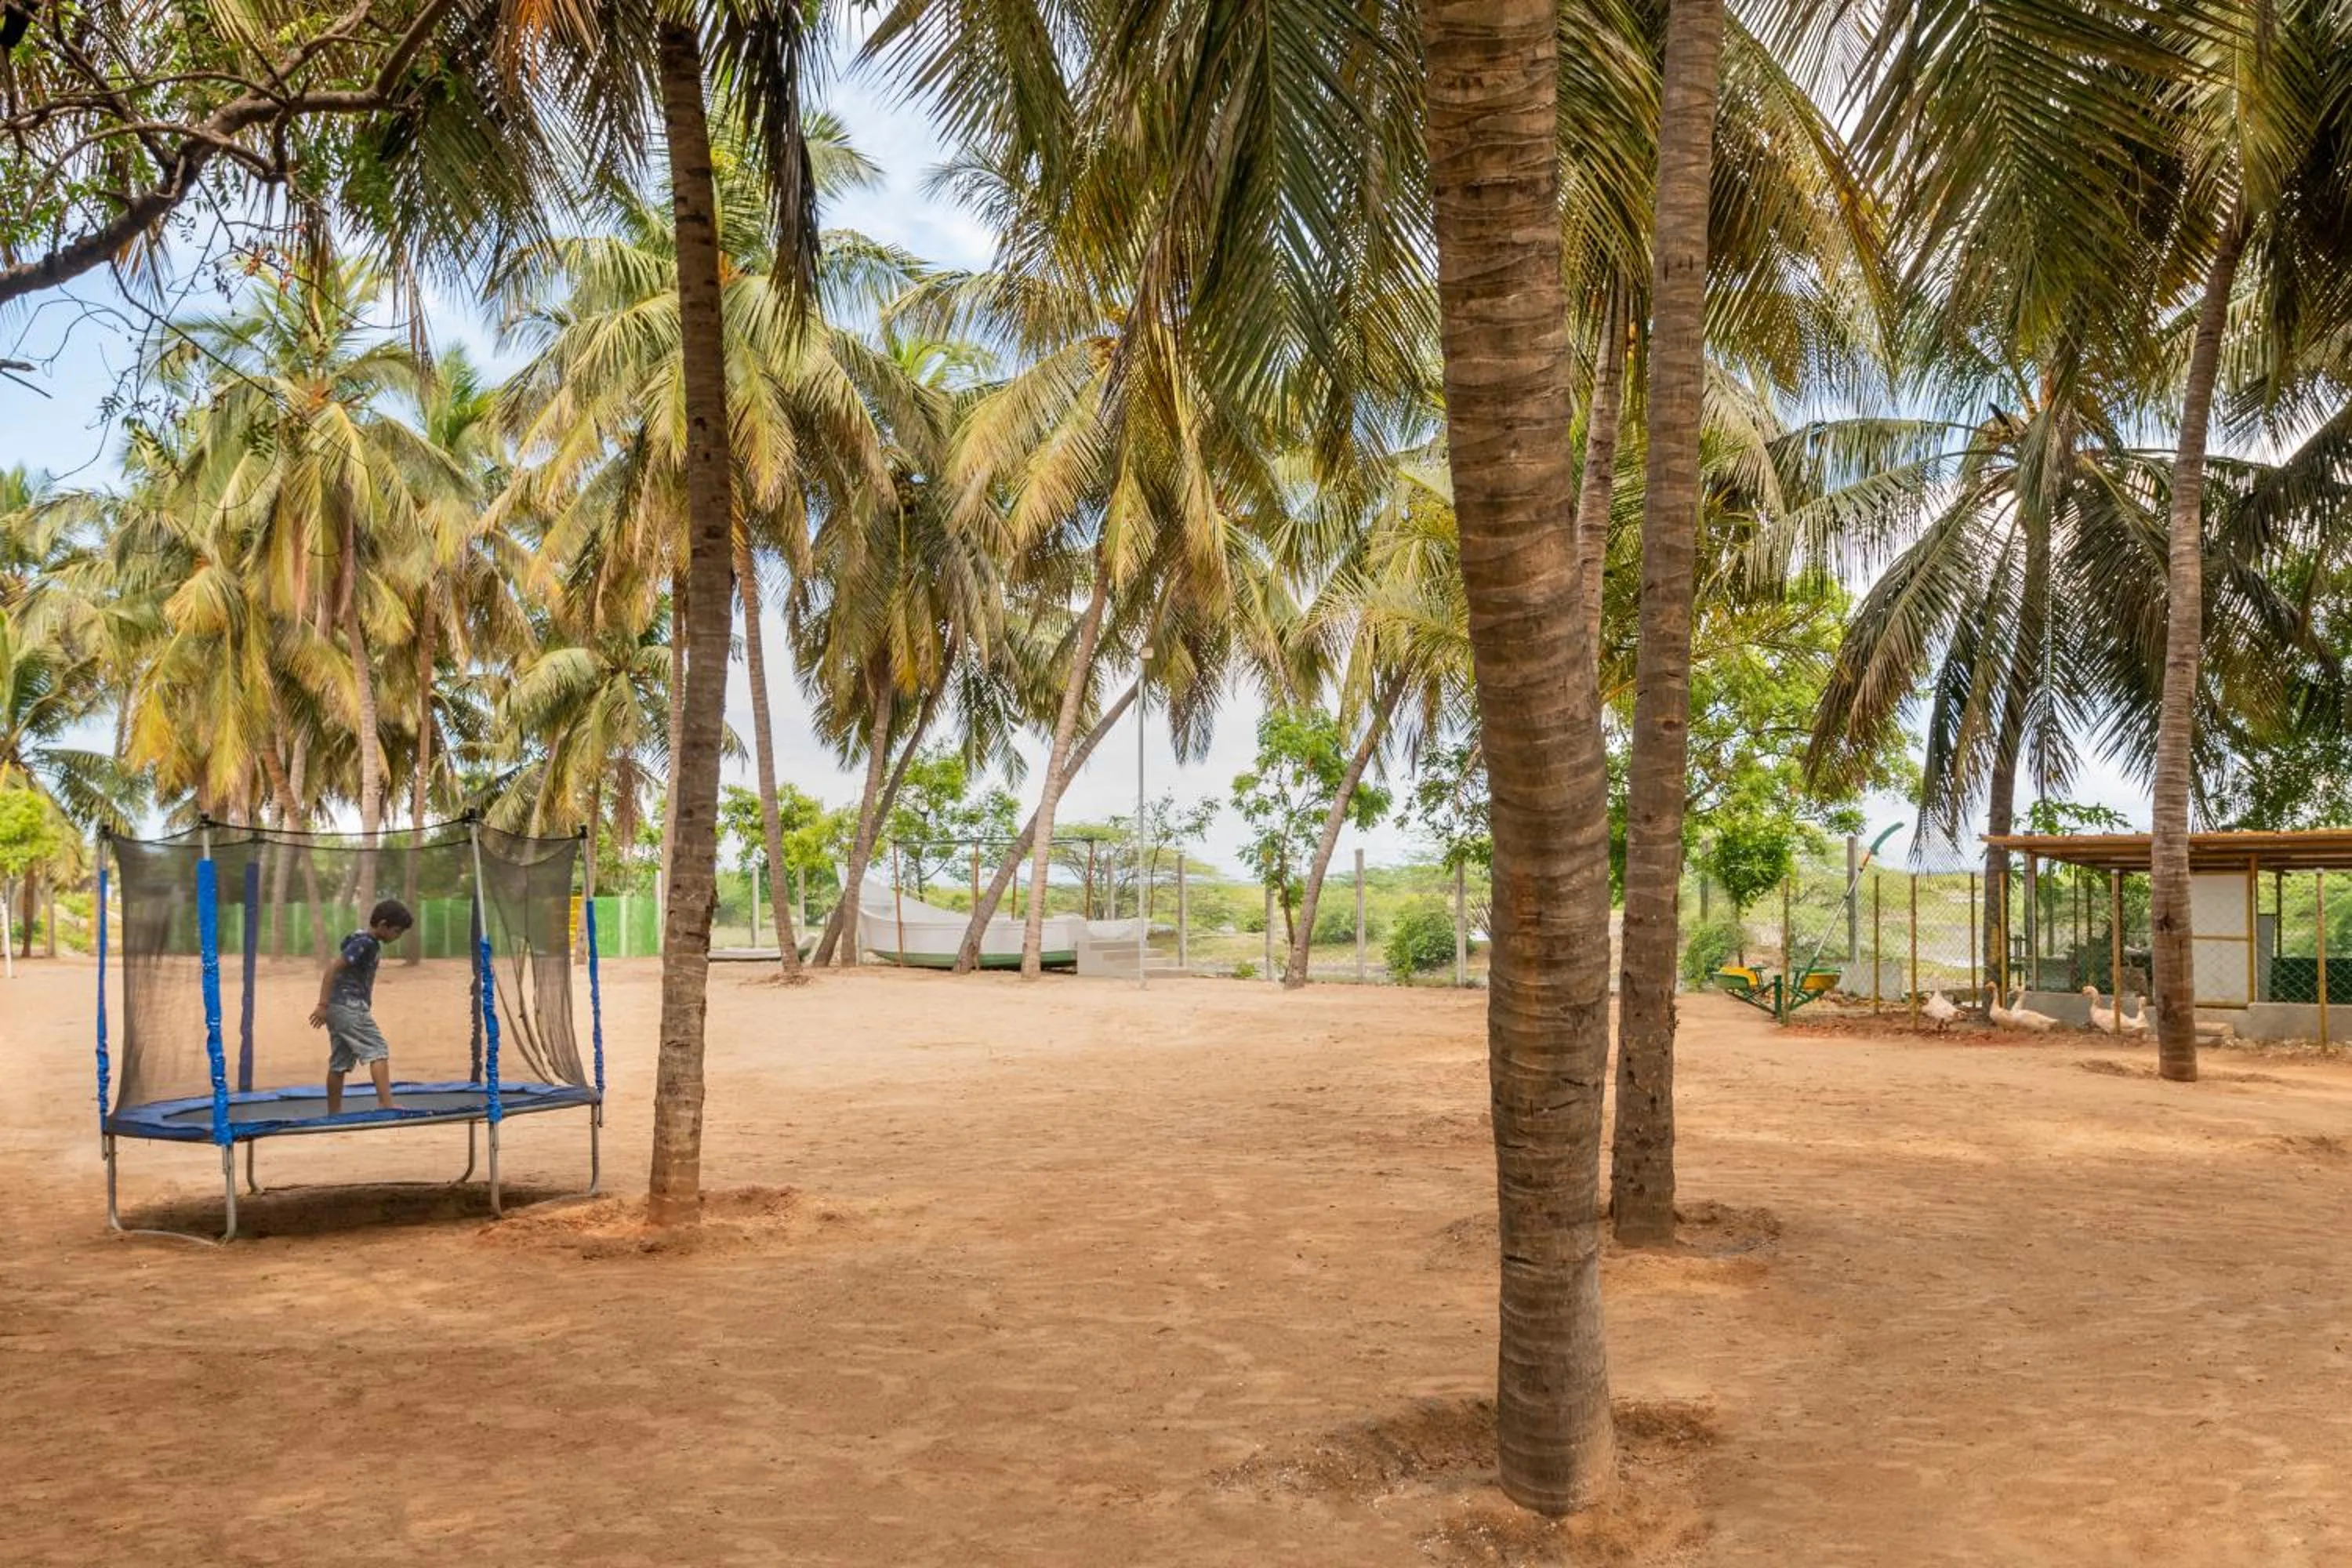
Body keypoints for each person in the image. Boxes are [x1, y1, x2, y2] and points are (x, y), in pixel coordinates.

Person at [310, 898, 414, 1114]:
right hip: (349, 1007)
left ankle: (334, 1113)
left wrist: (328, 1007)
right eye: (396, 931)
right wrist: (322, 1004)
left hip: (338, 1009)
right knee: (377, 1050)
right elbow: (332, 969)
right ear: (383, 925)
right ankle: (386, 1104)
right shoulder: (365, 942)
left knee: (340, 1062)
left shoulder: (362, 940)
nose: (397, 937)